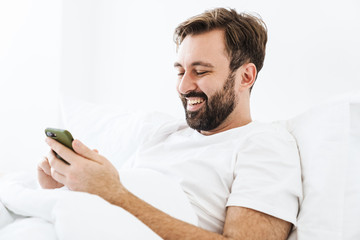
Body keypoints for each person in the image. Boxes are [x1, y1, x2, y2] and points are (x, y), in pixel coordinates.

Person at [38, 7, 302, 240]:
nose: (184, 86)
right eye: (180, 71)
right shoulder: (163, 133)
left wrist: (113, 193)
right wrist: (64, 184)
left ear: (245, 76)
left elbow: (117, 196)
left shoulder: (266, 145)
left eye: (200, 71)